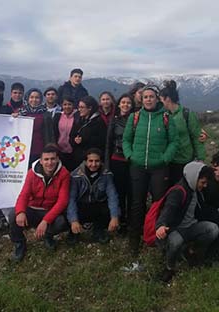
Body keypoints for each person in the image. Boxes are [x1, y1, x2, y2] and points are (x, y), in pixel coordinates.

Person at [122, 84, 179, 257]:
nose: (148, 99)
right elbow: (126, 140)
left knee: (158, 204)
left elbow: (174, 141)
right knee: (137, 204)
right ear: (141, 99)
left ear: (157, 99)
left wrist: (165, 158)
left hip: (159, 168)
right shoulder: (135, 117)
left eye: (151, 97)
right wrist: (130, 156)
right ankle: (134, 240)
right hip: (137, 167)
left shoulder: (166, 117)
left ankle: (157, 237)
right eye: (145, 97)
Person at [155, 161, 219, 283]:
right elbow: (168, 210)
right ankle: (169, 267)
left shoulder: (196, 190)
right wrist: (161, 226)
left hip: (191, 226)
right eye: (202, 182)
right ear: (194, 178)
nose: (205, 185)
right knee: (175, 241)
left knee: (213, 229)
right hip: (177, 230)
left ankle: (192, 253)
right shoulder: (178, 192)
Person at [9, 145, 71, 261]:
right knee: (13, 214)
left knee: (62, 222)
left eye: (52, 159)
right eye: (46, 159)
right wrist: (21, 211)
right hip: (32, 208)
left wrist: (45, 221)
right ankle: (19, 243)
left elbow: (62, 201)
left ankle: (48, 235)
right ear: (41, 161)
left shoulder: (64, 174)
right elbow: (24, 195)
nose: (50, 162)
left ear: (57, 159)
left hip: (49, 210)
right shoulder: (32, 173)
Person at [67, 148, 120, 244]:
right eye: (90, 161)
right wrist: (73, 220)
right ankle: (74, 231)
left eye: (97, 161)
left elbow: (112, 196)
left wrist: (114, 216)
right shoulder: (75, 176)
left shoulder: (107, 175)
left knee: (109, 209)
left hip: (97, 204)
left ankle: (98, 230)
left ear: (101, 161)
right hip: (81, 205)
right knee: (68, 209)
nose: (94, 164)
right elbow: (71, 199)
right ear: (85, 161)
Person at [159, 80, 206, 185]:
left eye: (161, 99)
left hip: (185, 161)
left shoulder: (187, 114)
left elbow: (196, 137)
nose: (159, 102)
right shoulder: (162, 115)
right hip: (168, 161)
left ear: (167, 99)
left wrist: (201, 159)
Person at [105, 93, 134, 232]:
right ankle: (121, 220)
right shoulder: (114, 120)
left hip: (133, 160)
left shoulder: (136, 119)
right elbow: (108, 142)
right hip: (117, 160)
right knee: (120, 192)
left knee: (133, 192)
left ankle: (132, 221)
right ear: (118, 104)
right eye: (123, 102)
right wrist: (107, 164)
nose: (125, 105)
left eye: (128, 103)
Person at [14, 88, 56, 163]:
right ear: (27, 98)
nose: (34, 100)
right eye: (32, 97)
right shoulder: (20, 113)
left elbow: (50, 134)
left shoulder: (46, 114)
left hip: (39, 150)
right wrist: (13, 118)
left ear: (40, 100)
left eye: (37, 97)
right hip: (21, 149)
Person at [69, 95, 107, 171]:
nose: (79, 109)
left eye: (82, 107)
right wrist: (75, 141)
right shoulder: (78, 120)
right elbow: (71, 137)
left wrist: (82, 141)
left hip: (92, 161)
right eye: (79, 107)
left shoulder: (99, 122)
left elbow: (101, 142)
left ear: (90, 108)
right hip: (77, 159)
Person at [54, 96, 79, 171]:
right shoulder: (58, 116)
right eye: (65, 104)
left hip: (73, 152)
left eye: (69, 104)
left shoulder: (78, 117)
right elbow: (55, 132)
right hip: (60, 151)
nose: (67, 107)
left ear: (73, 105)